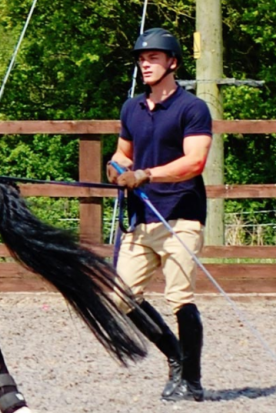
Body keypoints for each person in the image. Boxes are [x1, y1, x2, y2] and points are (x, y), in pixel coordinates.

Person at [107, 27, 213, 403]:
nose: (145, 64)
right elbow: (123, 153)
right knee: (122, 296)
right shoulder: (131, 108)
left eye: (152, 58)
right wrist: (115, 168)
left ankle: (193, 380)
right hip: (142, 218)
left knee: (180, 297)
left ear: (173, 63)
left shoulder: (192, 108)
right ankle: (175, 357)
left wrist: (147, 173)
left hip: (180, 216)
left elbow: (195, 161)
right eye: (141, 58)